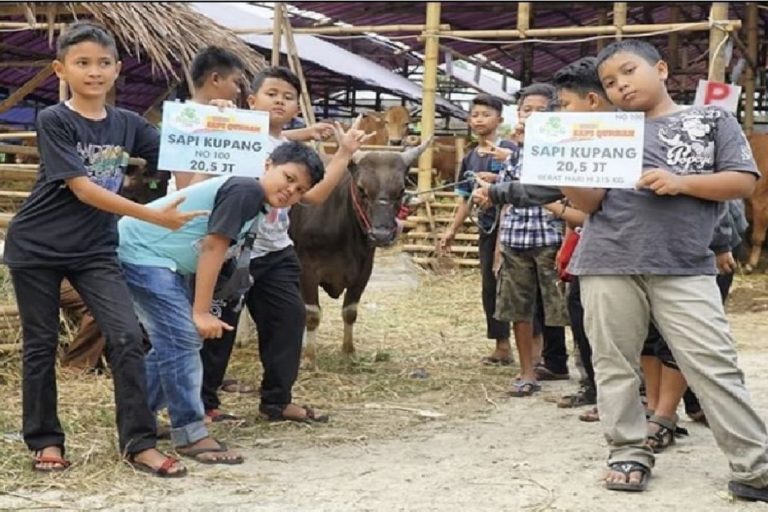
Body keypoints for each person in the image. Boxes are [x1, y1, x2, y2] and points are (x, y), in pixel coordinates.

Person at [566, 39, 768, 499]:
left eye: (628, 72)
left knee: (714, 363)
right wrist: (563, 165)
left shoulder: (710, 120)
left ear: (659, 69)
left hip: (685, 264)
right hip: (607, 260)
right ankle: (627, 451)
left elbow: (741, 181)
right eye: (610, 83)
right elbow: (590, 203)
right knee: (615, 364)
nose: (620, 86)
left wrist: (681, 182)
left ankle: (754, 467)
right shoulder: (607, 131)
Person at [4, 21, 202, 476]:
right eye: (83, 63)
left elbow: (183, 158)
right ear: (61, 69)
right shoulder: (55, 120)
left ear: (116, 70)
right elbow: (83, 189)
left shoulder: (129, 124)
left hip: (93, 248)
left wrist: (218, 122)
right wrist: (155, 216)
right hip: (37, 246)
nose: (94, 71)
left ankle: (139, 443)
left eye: (104, 63)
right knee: (40, 345)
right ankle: (46, 440)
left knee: (128, 336)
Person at [118, 138, 361, 463]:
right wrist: (201, 311)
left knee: (173, 341)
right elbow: (213, 246)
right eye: (288, 178)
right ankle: (190, 434)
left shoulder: (261, 204)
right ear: (268, 165)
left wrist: (343, 154)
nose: (292, 191)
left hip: (157, 258)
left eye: (299, 189)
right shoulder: (246, 191)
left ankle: (138, 421)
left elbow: (222, 248)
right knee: (183, 337)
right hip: (142, 253)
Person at [200, 66, 369, 423]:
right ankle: (204, 404)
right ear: (251, 101)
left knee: (289, 319)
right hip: (233, 251)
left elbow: (314, 196)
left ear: (296, 108)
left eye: (288, 97)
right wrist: (216, 117)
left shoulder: (291, 149)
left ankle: (276, 401)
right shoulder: (233, 132)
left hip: (276, 249)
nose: (279, 101)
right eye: (271, 94)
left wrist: (343, 154)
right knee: (220, 328)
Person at [492, 83, 569, 397]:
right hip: (515, 240)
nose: (533, 116)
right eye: (527, 110)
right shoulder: (512, 157)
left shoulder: (564, 153)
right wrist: (498, 248)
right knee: (517, 309)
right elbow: (504, 204)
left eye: (541, 111)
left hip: (552, 239)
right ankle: (527, 373)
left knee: (565, 309)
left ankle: (584, 372)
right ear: (518, 115)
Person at [440, 94, 517, 366]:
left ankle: (537, 350)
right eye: (474, 115)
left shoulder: (512, 149)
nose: (479, 119)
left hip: (514, 229)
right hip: (487, 228)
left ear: (500, 119)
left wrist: (497, 180)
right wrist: (451, 230)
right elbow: (464, 197)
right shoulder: (470, 157)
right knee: (490, 285)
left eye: (485, 114)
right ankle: (502, 345)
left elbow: (520, 183)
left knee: (519, 286)